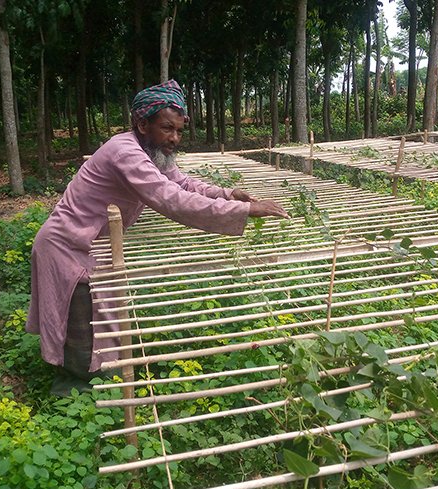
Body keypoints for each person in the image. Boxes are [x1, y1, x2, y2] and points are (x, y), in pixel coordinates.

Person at [26, 79, 289, 396]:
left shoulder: (150, 152)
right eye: (167, 128)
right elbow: (170, 199)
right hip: (67, 246)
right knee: (82, 323)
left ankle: (99, 379)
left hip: (92, 245)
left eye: (179, 130)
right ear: (142, 124)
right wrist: (243, 211)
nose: (174, 138)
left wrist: (229, 194)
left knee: (100, 316)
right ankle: (75, 392)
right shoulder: (125, 152)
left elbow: (183, 184)